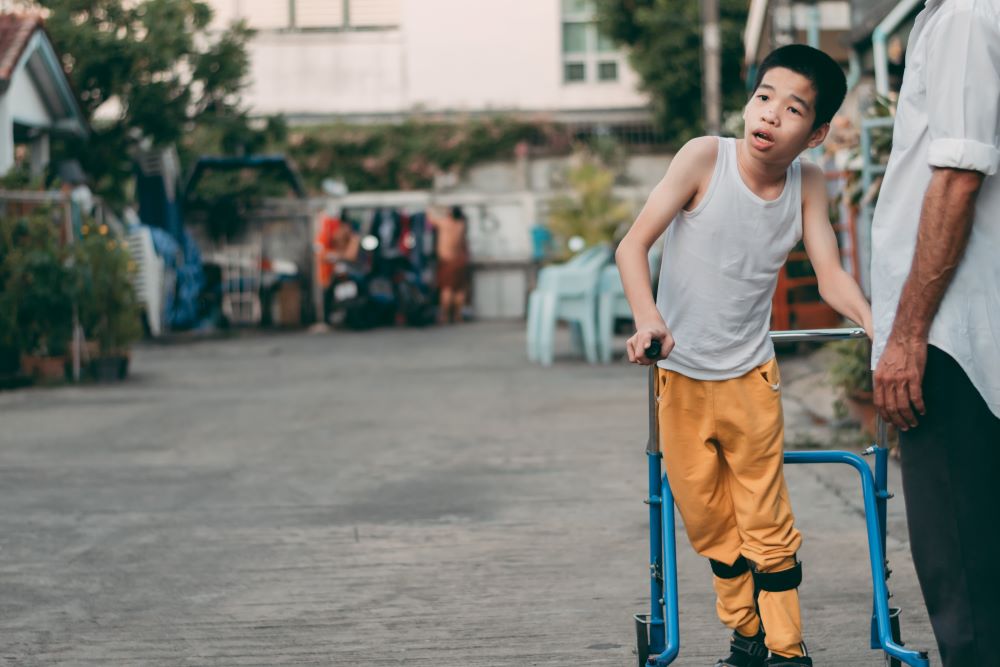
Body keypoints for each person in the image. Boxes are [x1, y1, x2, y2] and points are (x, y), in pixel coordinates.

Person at [615, 45, 872, 667]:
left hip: (750, 379)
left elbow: (831, 274)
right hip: (678, 377)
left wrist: (877, 324)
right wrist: (649, 317)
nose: (770, 115)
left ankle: (786, 649)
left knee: (766, 518)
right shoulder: (705, 157)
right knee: (707, 522)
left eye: (792, 109)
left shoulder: (807, 184)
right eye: (764, 98)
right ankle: (747, 629)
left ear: (815, 134)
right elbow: (632, 246)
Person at [869, 3, 1000, 665]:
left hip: (950, 344)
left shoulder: (965, 19)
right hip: (967, 336)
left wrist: (906, 336)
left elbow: (955, 177)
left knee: (967, 591)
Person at [314, 206, 359, 322]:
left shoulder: (354, 238)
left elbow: (351, 256)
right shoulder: (334, 237)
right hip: (338, 270)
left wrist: (337, 256)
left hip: (353, 272)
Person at [430, 205, 470, 324]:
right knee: (459, 289)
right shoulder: (461, 225)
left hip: (447, 260)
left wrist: (431, 205)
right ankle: (458, 315)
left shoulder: (445, 223)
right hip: (460, 260)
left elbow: (430, 218)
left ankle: (445, 316)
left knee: (446, 289)